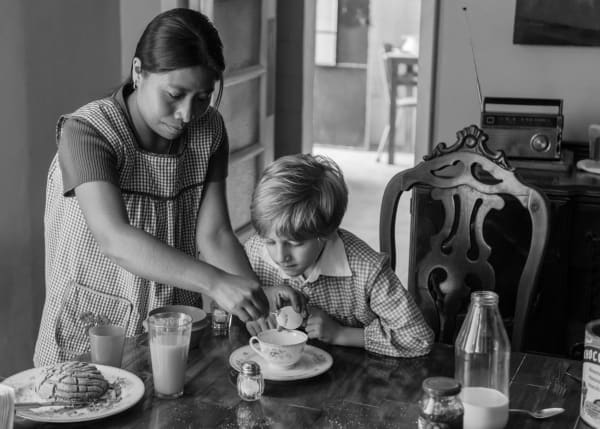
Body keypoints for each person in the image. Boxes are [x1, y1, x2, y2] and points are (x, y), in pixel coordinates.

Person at [34, 8, 302, 366]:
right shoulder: (87, 132)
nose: (187, 114)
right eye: (175, 94)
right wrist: (215, 282)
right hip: (93, 323)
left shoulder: (209, 130)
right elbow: (115, 239)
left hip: (172, 322)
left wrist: (253, 297)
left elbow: (215, 234)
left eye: (202, 97)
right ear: (138, 72)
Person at [244, 154, 434, 357]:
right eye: (270, 242)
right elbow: (224, 303)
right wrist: (253, 311)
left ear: (327, 231)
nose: (281, 256)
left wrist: (341, 334)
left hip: (357, 370)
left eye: (295, 243)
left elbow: (418, 338)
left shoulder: (366, 270)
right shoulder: (255, 251)